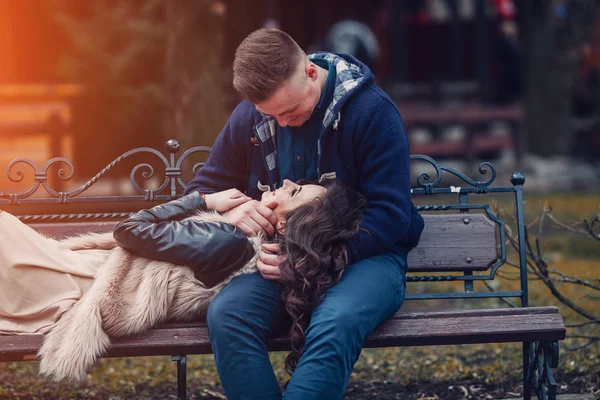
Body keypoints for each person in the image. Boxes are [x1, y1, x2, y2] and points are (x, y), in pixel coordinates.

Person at [183, 28, 424, 399]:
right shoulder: (249, 117)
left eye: (291, 111)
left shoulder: (372, 112)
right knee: (228, 314)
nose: (283, 124)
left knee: (336, 320)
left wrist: (319, 258)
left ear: (311, 72)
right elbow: (200, 193)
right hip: (277, 263)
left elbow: (392, 215)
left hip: (364, 259)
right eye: (271, 115)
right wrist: (232, 210)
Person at [0, 179, 365, 382]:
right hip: (86, 270)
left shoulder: (230, 241)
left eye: (296, 192)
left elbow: (129, 230)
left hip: (82, 279)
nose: (287, 182)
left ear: (284, 225)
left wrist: (204, 199)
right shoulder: (241, 246)